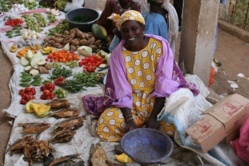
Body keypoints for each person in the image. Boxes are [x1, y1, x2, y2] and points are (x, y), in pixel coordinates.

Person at [83, 10, 199, 142]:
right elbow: (122, 92)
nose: (130, 34)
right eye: (125, 30)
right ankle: (138, 126)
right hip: (133, 103)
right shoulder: (117, 55)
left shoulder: (160, 46)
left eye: (134, 29)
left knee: (175, 124)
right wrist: (129, 120)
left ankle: (148, 124)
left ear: (143, 28)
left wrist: (154, 116)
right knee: (106, 122)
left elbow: (164, 84)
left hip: (158, 100)